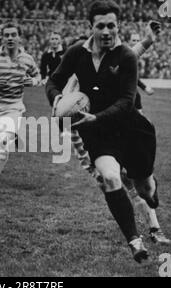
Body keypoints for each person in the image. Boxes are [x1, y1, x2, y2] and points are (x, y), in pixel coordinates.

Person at [46, 0, 161, 263]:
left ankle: (152, 194)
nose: (107, 31)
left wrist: (95, 116)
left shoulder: (126, 56)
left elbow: (127, 102)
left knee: (145, 190)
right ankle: (135, 240)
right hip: (99, 132)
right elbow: (54, 80)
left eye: (112, 25)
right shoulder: (77, 53)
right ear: (91, 27)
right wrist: (55, 98)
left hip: (131, 129)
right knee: (110, 177)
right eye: (101, 26)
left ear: (118, 26)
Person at [0, 22, 41, 190]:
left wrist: (32, 81)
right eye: (7, 35)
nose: (10, 38)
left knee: (3, 141)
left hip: (13, 106)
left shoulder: (27, 59)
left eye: (13, 35)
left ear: (19, 37)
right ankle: (12, 135)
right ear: (2, 38)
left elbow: (38, 76)